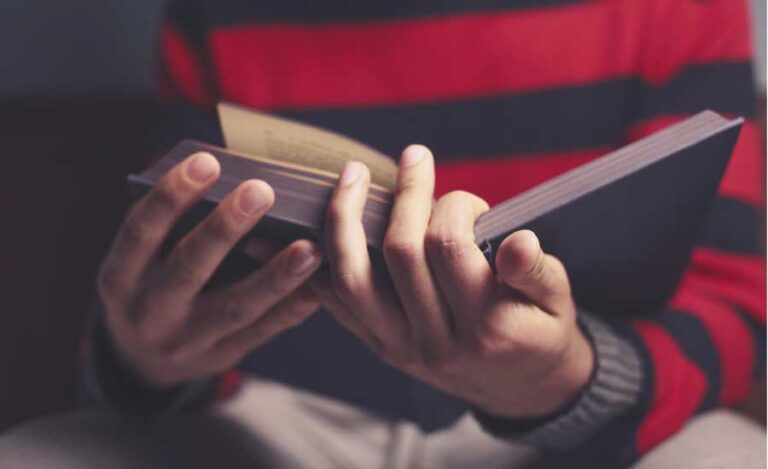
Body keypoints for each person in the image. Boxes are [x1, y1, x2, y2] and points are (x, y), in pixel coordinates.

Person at [0, 0, 764, 467]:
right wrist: (137, 360)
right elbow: (194, 258)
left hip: (570, 437)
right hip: (277, 421)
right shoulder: (220, 7)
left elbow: (737, 307)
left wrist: (570, 381)